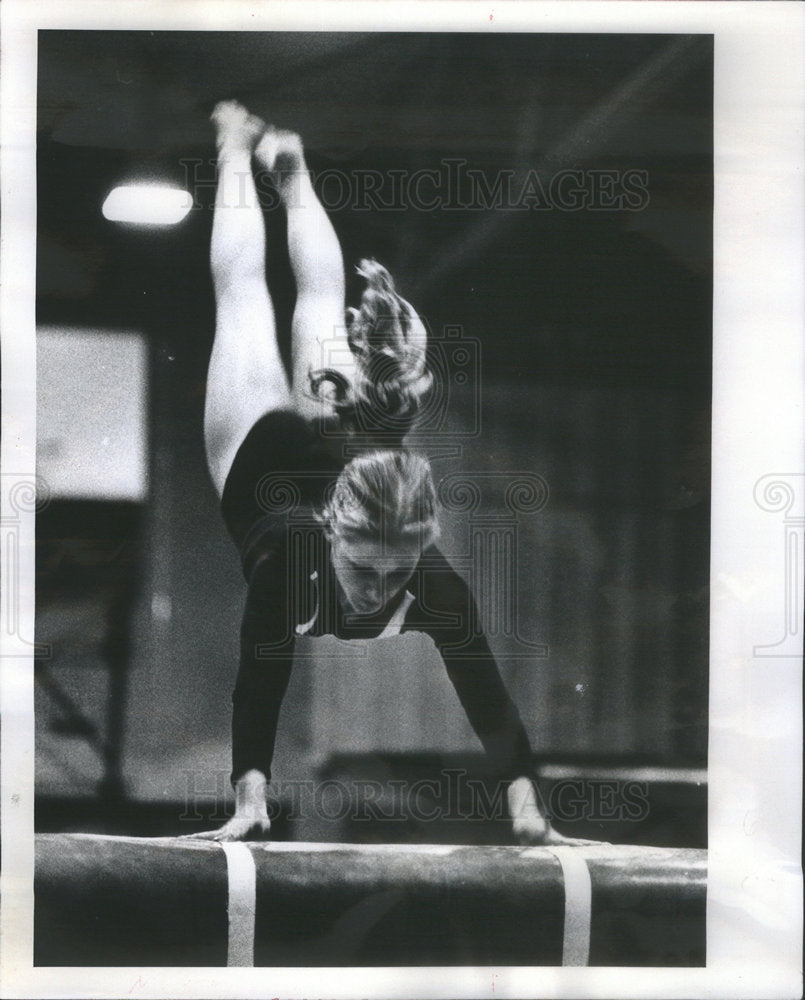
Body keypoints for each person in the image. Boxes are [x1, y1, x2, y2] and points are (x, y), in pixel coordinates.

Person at [191, 101, 577, 845]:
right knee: (246, 301)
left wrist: (526, 805)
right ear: (333, 531)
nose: (375, 592)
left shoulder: (431, 586)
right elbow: (259, 679)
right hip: (259, 447)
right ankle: (237, 152)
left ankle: (290, 172)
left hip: (327, 444)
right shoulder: (290, 561)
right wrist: (249, 795)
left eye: (391, 576)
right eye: (365, 573)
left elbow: (486, 696)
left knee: (313, 304)